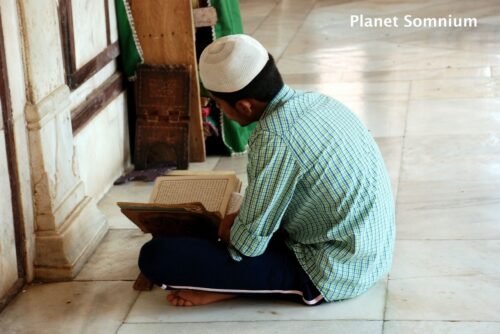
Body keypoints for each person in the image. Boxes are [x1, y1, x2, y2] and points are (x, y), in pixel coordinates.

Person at [138, 34, 395, 307]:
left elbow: (248, 245)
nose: (217, 110)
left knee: (156, 256)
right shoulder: (319, 102)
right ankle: (240, 283)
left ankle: (240, 287)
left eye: (217, 103)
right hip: (371, 254)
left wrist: (227, 228)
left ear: (244, 105)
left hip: (332, 271)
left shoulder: (274, 137)